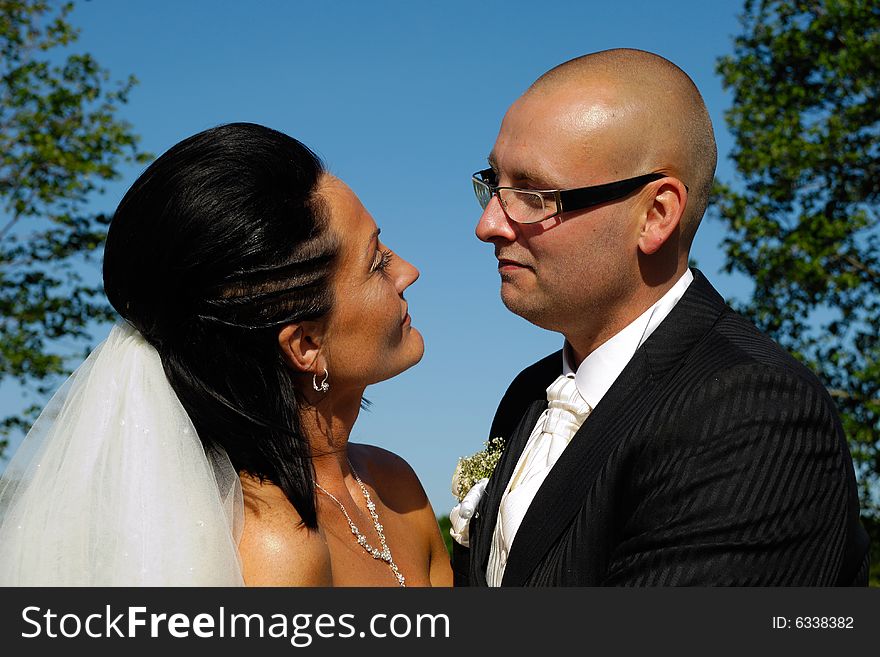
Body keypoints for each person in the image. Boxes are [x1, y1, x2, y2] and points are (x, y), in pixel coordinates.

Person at [451, 49, 869, 586]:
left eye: (534, 194)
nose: (488, 225)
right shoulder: (527, 394)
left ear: (656, 215)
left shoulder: (751, 411)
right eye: (494, 183)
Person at [0, 122, 452, 587]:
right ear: (305, 346)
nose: (409, 272)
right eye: (377, 262)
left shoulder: (396, 485)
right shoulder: (273, 548)